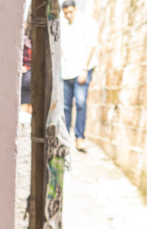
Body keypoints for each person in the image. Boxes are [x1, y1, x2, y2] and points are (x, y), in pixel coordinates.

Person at [60, 0, 99, 151]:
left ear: (75, 9)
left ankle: (80, 137)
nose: (68, 16)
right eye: (65, 13)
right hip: (67, 71)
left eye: (70, 12)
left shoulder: (86, 22)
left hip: (82, 70)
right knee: (65, 106)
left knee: (81, 103)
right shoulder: (63, 24)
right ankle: (65, 137)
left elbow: (91, 46)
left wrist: (84, 69)